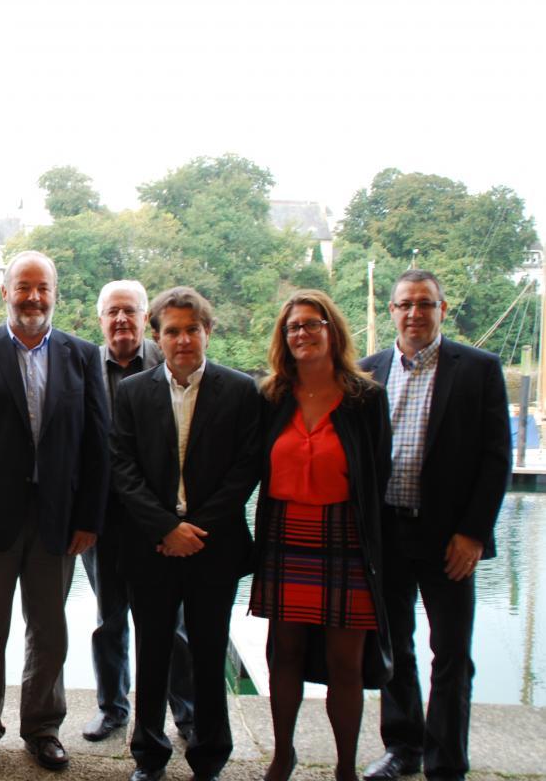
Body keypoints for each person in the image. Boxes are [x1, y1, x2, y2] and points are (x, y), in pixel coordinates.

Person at [0, 250, 109, 771]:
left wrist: (89, 519)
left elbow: (99, 443)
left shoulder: (82, 355)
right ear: (5, 291)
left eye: (43, 288)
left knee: (49, 629)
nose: (33, 297)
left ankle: (42, 727)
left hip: (57, 519)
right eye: (23, 287)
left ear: (55, 293)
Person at [359, 270, 510, 781]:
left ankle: (446, 759)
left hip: (449, 538)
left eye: (425, 304)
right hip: (387, 534)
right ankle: (403, 745)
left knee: (451, 653)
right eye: (405, 304)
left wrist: (474, 533)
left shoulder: (478, 368)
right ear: (392, 312)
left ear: (442, 309)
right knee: (393, 645)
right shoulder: (368, 370)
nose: (414, 313)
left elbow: (496, 458)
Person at [109, 286, 260, 781]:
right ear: (157, 337)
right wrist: (166, 527)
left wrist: (196, 529)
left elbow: (245, 470)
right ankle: (149, 756)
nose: (183, 340)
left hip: (214, 546)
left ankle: (210, 755)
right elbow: (122, 467)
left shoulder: (239, 391)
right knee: (151, 650)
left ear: (208, 332)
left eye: (192, 329)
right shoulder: (133, 392)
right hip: (151, 546)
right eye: (171, 331)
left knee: (209, 649)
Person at [250, 290, 392, 781]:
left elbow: (379, 475)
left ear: (333, 330)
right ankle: (282, 755)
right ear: (283, 339)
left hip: (345, 537)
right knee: (283, 653)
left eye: (313, 324)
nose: (303, 334)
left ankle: (346, 768)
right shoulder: (271, 398)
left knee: (345, 663)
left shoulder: (365, 398)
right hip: (285, 534)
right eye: (293, 328)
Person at [81, 280, 197, 745]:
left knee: (173, 623)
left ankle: (186, 713)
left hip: (160, 520)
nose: (121, 320)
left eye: (130, 311)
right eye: (112, 312)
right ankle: (113, 708)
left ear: (145, 315)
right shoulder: (84, 366)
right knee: (109, 619)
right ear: (100, 319)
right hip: (103, 520)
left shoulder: (167, 361)